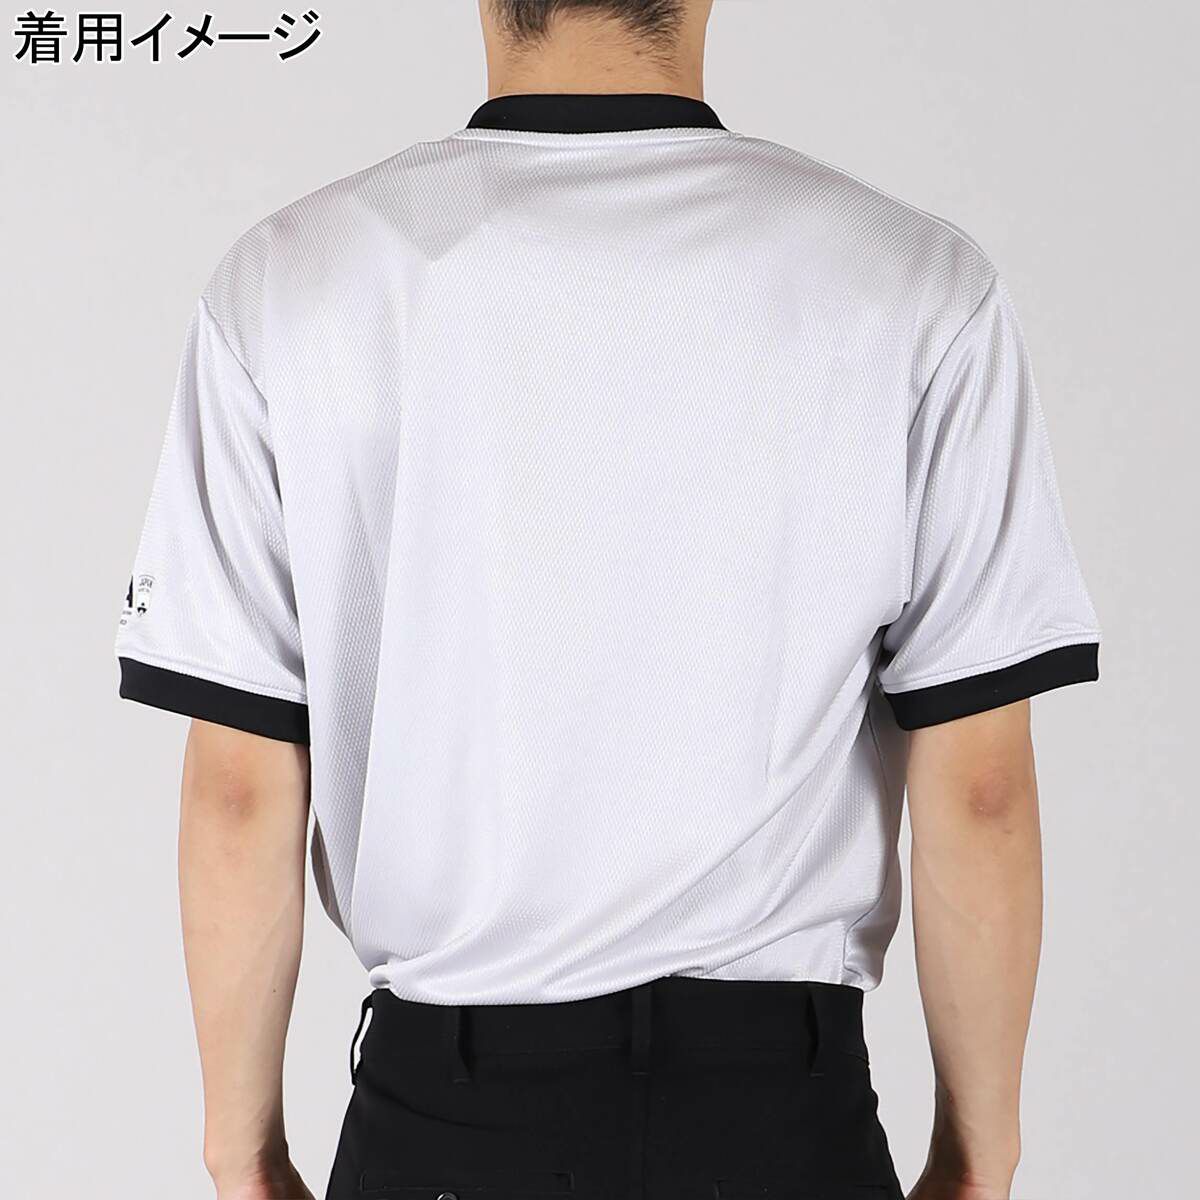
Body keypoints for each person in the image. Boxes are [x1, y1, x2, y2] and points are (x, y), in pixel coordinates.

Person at [114, 3, 1102, 1198]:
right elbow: (981, 791)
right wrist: (979, 1160)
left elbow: (238, 791)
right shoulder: (914, 284)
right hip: (782, 1123)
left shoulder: (290, 284)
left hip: (449, 1120)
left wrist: (243, 1154)